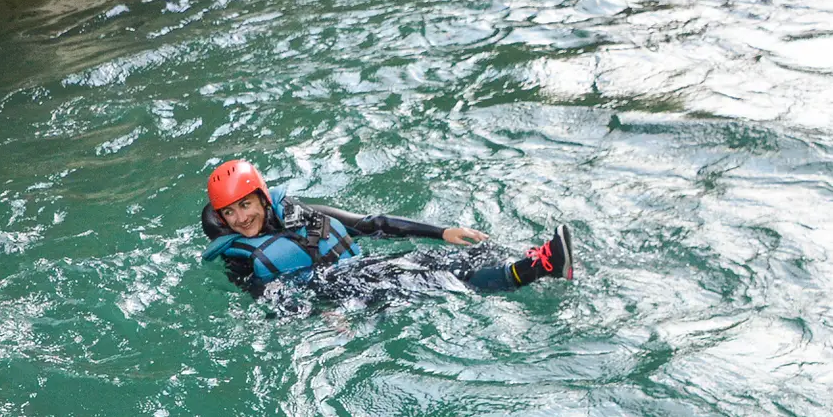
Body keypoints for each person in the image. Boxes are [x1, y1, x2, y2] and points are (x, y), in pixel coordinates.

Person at [198, 159, 573, 305]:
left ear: (264, 199)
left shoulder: (303, 214)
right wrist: (324, 313)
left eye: (245, 205)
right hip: (347, 296)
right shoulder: (240, 260)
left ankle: (532, 260)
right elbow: (269, 299)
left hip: (366, 269)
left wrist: (442, 232)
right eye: (229, 213)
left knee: (454, 257)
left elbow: (373, 225)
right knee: (443, 277)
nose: (240, 219)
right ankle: (539, 269)